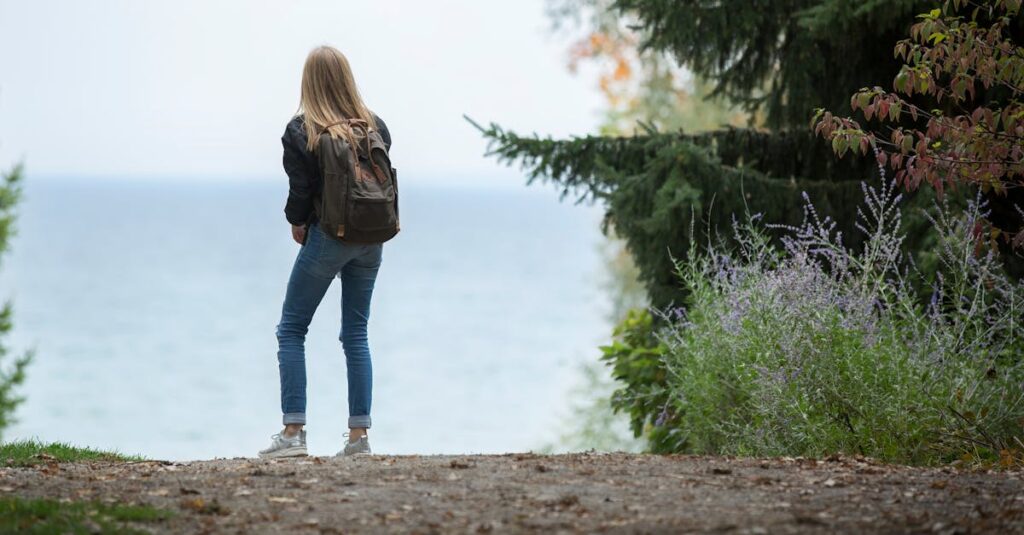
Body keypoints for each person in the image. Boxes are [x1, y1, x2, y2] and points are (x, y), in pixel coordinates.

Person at [259, 46, 392, 459]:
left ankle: (293, 434)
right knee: (355, 333)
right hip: (371, 240)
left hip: (328, 238)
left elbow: (301, 191)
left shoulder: (303, 130)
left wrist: (297, 223)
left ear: (308, 81)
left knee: (291, 329)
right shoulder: (376, 125)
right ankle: (359, 440)